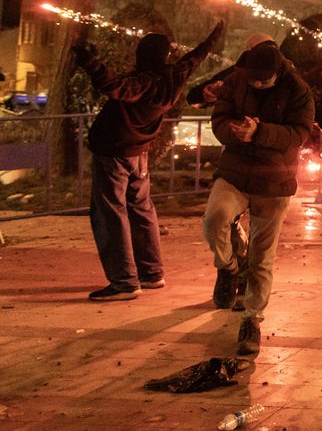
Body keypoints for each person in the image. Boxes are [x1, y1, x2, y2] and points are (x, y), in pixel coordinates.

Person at [72, 21, 225, 301]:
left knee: (111, 214)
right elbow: (194, 58)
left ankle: (124, 281)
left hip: (115, 153)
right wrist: (213, 37)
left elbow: (114, 85)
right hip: (139, 153)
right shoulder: (173, 77)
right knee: (141, 210)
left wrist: (87, 60)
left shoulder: (144, 82)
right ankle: (151, 273)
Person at [202, 40, 314, 358]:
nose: (256, 84)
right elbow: (219, 117)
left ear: (277, 73)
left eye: (262, 80)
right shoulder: (238, 79)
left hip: (275, 181)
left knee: (262, 257)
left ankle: (251, 320)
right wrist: (232, 130)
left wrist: (260, 133)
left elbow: (300, 132)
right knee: (215, 220)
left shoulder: (297, 88)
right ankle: (227, 267)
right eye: (252, 78)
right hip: (235, 172)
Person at [186, 32, 274, 311]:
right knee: (222, 219)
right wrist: (206, 93)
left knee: (262, 239)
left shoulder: (287, 79)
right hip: (236, 160)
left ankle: (248, 291)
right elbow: (196, 96)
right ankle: (229, 269)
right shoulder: (237, 74)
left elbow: (306, 111)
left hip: (272, 167)